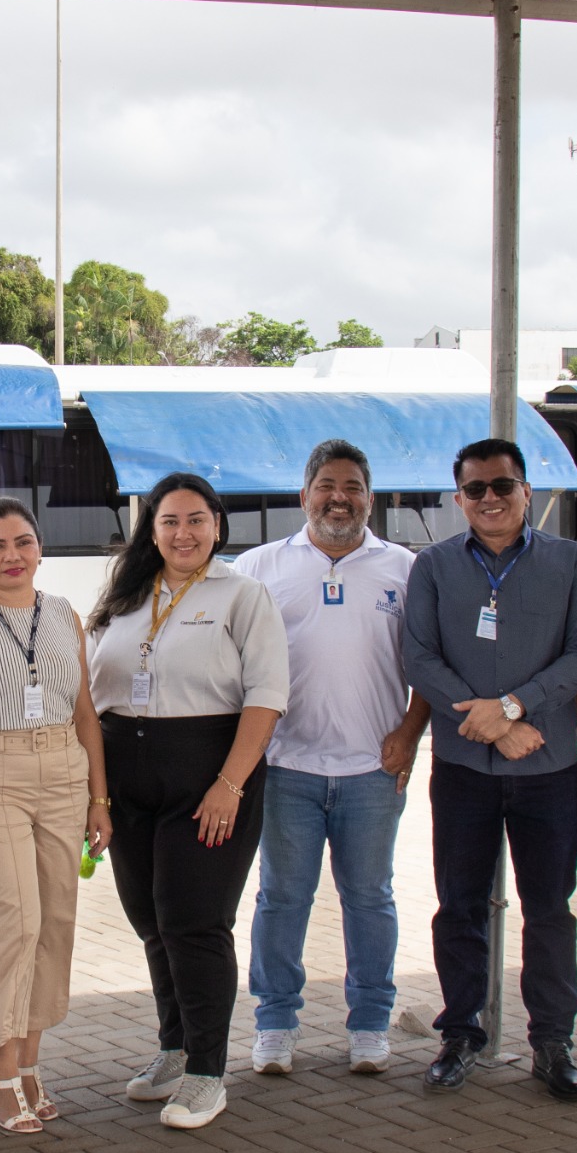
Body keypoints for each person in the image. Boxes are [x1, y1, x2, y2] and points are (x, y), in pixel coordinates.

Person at [401, 438, 577, 1100]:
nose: (491, 498)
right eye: (477, 489)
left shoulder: (572, 563)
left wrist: (513, 711)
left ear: (528, 493)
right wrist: (486, 722)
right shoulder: (432, 566)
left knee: (549, 909)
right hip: (463, 768)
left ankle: (553, 1042)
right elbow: (419, 658)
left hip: (547, 769)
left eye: (503, 486)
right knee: (458, 906)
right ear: (459, 498)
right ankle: (460, 1034)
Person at [86, 473, 288, 1130]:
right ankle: (173, 1050)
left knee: (194, 922)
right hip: (128, 781)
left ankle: (207, 1072)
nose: (183, 533)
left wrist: (229, 785)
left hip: (207, 779)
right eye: (169, 521)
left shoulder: (243, 595)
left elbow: (265, 696)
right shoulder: (122, 596)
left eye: (196, 519)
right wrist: (96, 793)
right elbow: (91, 694)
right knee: (151, 919)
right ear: (152, 530)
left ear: (218, 526)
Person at [232, 440, 427, 1076]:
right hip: (286, 768)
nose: (338, 498)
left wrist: (410, 732)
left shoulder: (403, 568)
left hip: (374, 769)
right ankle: (276, 1022)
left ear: (371, 499)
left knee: (369, 898)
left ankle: (370, 1022)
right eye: (326, 486)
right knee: (282, 898)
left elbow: (426, 665)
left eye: (352, 487)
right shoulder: (259, 568)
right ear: (304, 494)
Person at [0, 498, 112, 1134]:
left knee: (56, 919)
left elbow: (86, 712)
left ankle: (32, 1065)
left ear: (40, 550)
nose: (12, 556)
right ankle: (0, 1073)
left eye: (23, 542)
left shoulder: (63, 616)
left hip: (63, 769)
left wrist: (99, 798)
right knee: (13, 919)